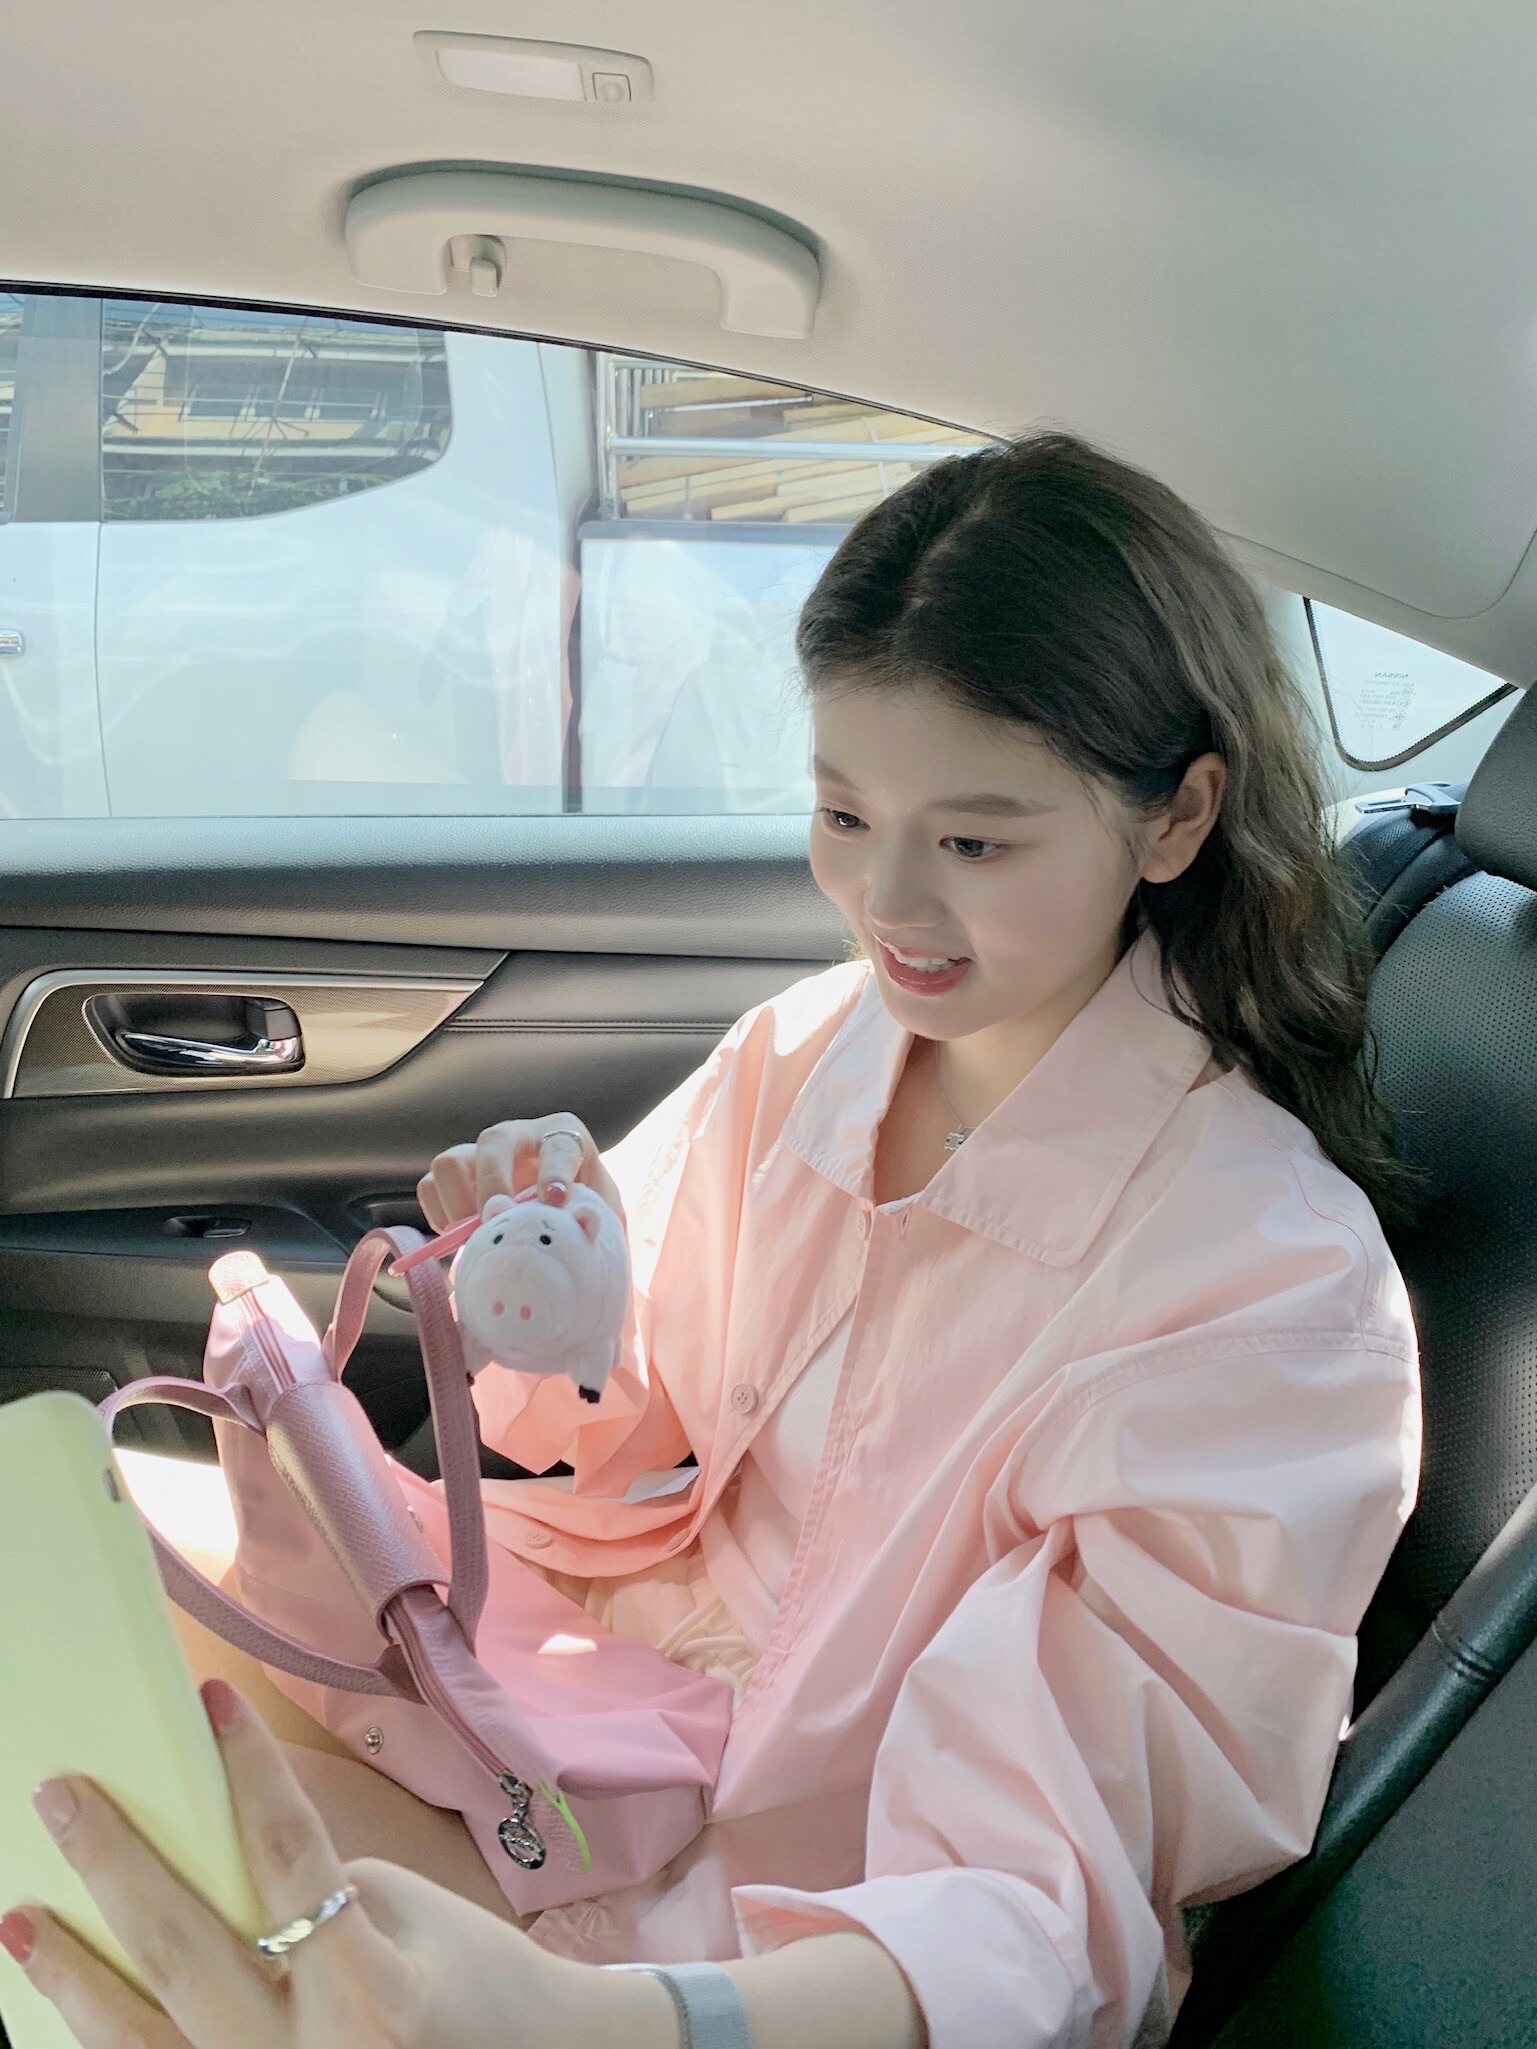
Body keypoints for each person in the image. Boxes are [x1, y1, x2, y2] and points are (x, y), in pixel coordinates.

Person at [5, 431, 1422, 2049]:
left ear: (1175, 817)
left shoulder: (1265, 1300)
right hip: (565, 1710)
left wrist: (616, 2026)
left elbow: (1041, 1904)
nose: (887, 902)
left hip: (749, 1919)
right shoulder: (813, 1048)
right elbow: (625, 1417)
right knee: (74, 1553)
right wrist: (559, 1292)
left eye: (973, 842)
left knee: (117, 1849)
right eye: (841, 812)